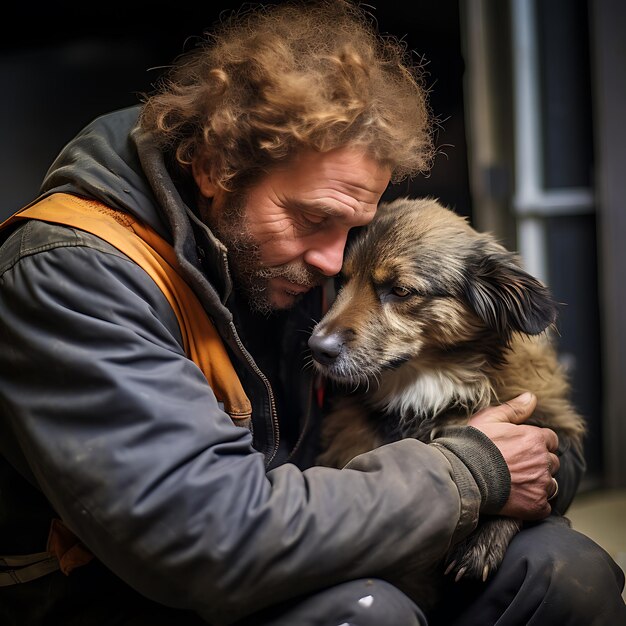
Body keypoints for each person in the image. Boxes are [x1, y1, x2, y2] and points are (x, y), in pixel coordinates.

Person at [0, 1, 624, 624]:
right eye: (311, 219)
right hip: (137, 592)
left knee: (566, 573)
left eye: (352, 229)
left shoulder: (291, 261)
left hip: (325, 525)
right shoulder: (69, 272)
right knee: (365, 613)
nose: (333, 264)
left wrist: (532, 458)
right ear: (219, 169)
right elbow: (204, 537)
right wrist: (469, 470)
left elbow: (537, 439)